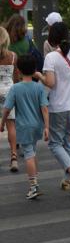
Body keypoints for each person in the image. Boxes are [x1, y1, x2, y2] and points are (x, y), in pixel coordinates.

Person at [36, 22, 70, 193]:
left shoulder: (51, 58)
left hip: (58, 106)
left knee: (55, 143)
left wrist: (39, 76)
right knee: (69, 141)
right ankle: (68, 179)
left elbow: (50, 83)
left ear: (52, 38)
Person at [1, 54, 49, 200]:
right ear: (35, 69)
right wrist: (47, 127)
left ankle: (33, 186)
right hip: (37, 126)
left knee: (28, 154)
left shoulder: (15, 89)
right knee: (32, 151)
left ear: (19, 70)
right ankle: (35, 178)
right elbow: (44, 108)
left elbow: (7, 108)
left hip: (24, 126)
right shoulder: (39, 88)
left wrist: (2, 122)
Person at [0, 27, 20, 172]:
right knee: (11, 126)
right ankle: (14, 158)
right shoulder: (13, 56)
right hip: (10, 93)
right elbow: (16, 79)